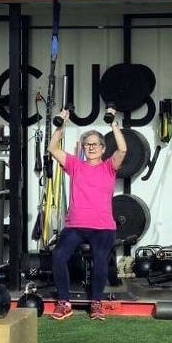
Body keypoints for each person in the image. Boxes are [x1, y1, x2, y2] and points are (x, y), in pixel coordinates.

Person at [47, 109, 126, 320]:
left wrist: (113, 124)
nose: (90, 147)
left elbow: (123, 149)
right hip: (76, 225)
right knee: (59, 256)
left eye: (95, 144)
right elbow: (52, 148)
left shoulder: (109, 167)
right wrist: (60, 125)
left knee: (100, 261)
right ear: (83, 148)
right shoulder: (75, 165)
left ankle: (96, 303)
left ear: (102, 148)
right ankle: (64, 302)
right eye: (87, 144)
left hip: (102, 227)